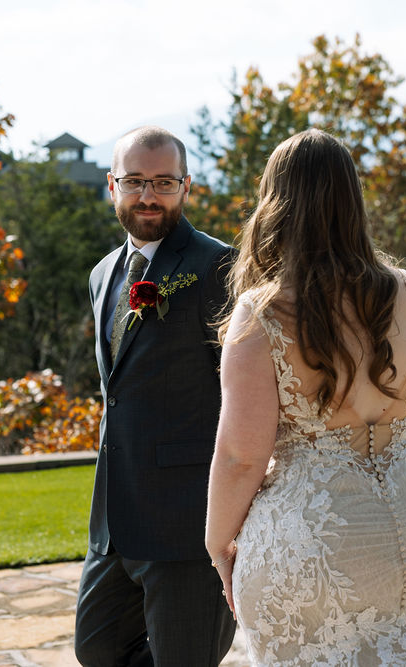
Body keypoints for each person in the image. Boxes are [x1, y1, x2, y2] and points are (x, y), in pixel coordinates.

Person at [204, 128, 406, 665]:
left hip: (323, 541)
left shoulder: (263, 314)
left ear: (275, 203)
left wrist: (218, 544)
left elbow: (242, 457)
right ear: (352, 199)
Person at [75, 126, 236, 667]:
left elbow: (244, 394)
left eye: (164, 182)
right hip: (116, 521)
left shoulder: (219, 268)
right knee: (97, 649)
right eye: (136, 181)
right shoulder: (103, 275)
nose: (149, 196)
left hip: (188, 522)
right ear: (111, 184)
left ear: (186, 185)